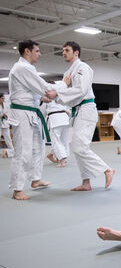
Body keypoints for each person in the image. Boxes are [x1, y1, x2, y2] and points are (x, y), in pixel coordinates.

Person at [45, 41, 115, 191]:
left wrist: (57, 93)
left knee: (79, 147)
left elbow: (81, 90)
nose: (64, 52)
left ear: (76, 52)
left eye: (67, 50)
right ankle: (86, 182)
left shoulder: (83, 67)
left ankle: (107, 169)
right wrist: (54, 97)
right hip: (76, 111)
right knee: (78, 148)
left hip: (86, 109)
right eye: (63, 50)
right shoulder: (67, 74)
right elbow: (66, 98)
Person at [8, 40, 69, 200]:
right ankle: (17, 188)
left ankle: (35, 179)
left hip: (31, 113)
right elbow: (44, 86)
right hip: (22, 114)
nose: (40, 54)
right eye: (37, 51)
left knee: (38, 147)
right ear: (27, 51)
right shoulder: (22, 68)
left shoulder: (27, 68)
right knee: (23, 151)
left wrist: (42, 98)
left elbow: (31, 90)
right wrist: (64, 84)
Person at [45, 98, 71, 167]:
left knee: (56, 141)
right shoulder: (62, 91)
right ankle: (53, 155)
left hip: (55, 118)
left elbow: (43, 108)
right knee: (63, 140)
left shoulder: (47, 93)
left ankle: (62, 161)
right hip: (64, 117)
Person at [0, 93, 14, 158]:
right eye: (2, 98)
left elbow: (9, 113)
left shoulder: (6, 105)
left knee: (8, 138)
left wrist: (6, 115)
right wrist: (1, 115)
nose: (3, 99)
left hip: (5, 123)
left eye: (4, 98)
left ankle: (12, 151)